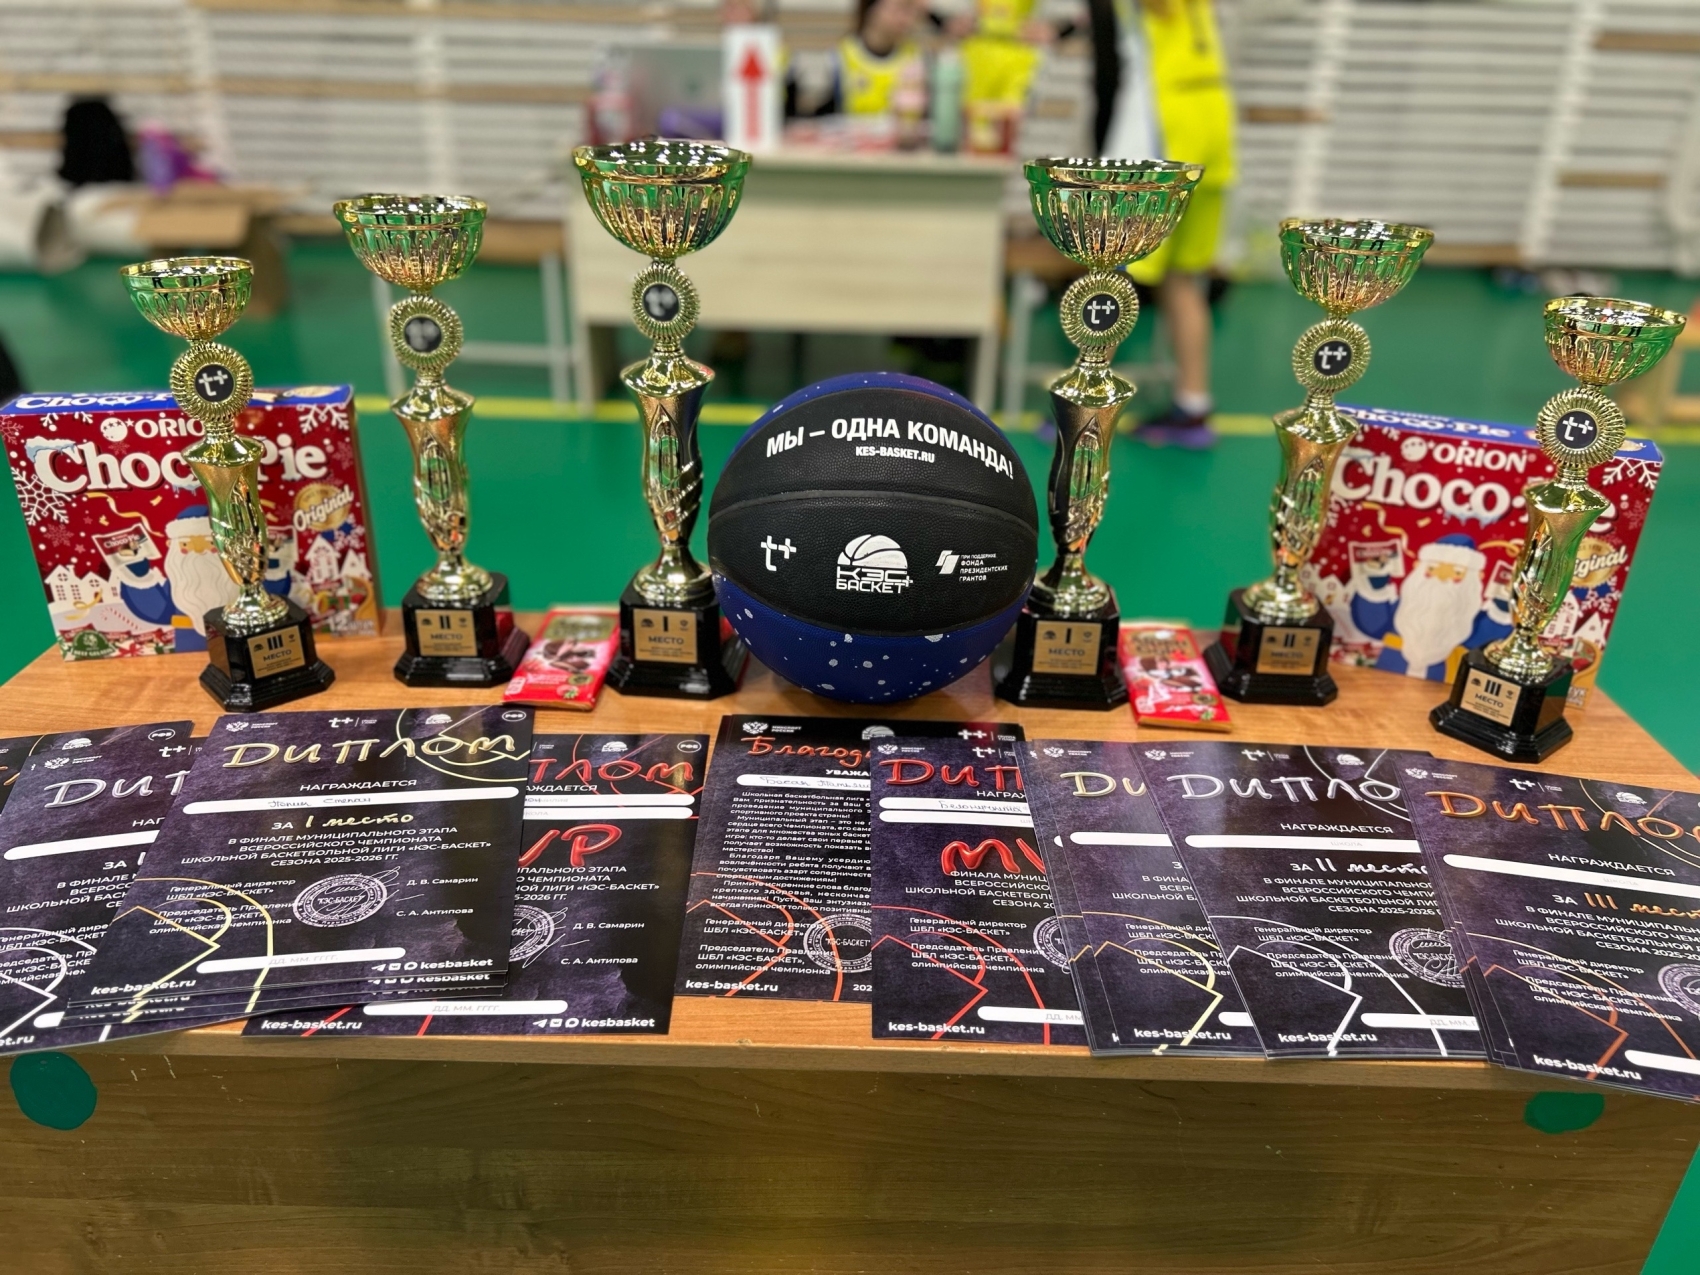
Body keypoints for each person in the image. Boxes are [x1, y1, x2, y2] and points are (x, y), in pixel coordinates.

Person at [1101, 0, 1236, 449]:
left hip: (1165, 140)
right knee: (1181, 280)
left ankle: (1087, 402)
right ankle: (1193, 405)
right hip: (1212, 135)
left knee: (1111, 274)